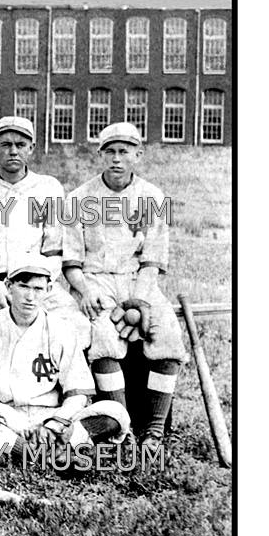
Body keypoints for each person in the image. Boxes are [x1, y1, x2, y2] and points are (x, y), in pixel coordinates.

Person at [63, 122, 186, 446]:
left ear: (138, 155)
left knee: (167, 332)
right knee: (104, 335)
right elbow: (71, 262)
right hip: (96, 280)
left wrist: (140, 301)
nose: (117, 159)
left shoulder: (152, 196)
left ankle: (154, 429)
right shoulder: (79, 198)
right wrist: (85, 290)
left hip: (138, 281)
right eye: (110, 152)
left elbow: (152, 261)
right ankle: (123, 427)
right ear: (100, 154)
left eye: (124, 151)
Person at [0, 257, 129, 459]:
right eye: (23, 286)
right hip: (3, 415)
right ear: (8, 286)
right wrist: (9, 416)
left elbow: (77, 393)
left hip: (49, 415)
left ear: (49, 289)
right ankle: (49, 452)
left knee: (115, 412)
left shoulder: (62, 330)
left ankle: (26, 449)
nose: (30, 297)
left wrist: (56, 423)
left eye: (38, 289)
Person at [0, 115, 86, 347]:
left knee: (78, 327)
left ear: (31, 148)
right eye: (6, 144)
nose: (13, 151)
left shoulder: (48, 188)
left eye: (20, 145)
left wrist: (34, 288)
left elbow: (54, 253)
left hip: (37, 285)